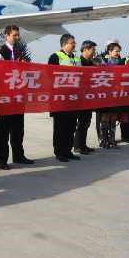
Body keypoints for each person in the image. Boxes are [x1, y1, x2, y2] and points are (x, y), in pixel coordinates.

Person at [0, 25, 34, 169]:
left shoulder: (20, 52)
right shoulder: (0, 53)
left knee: (18, 129)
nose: (17, 37)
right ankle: (2, 159)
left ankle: (18, 155)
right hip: (5, 97)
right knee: (3, 130)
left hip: (18, 96)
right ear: (6, 36)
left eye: (18, 35)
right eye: (14, 35)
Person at [48, 34, 81, 162]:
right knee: (60, 128)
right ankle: (59, 152)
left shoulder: (77, 59)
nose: (74, 45)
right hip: (60, 99)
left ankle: (68, 151)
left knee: (71, 126)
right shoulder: (55, 57)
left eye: (74, 43)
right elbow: (50, 75)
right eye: (72, 43)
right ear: (64, 44)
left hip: (73, 99)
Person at [98, 42, 125, 149]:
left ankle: (112, 139)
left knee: (114, 117)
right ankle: (103, 139)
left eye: (119, 51)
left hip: (116, 93)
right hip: (105, 93)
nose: (118, 53)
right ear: (109, 51)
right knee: (105, 117)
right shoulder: (103, 61)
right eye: (116, 51)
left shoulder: (120, 62)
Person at [73, 40, 97, 154]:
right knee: (81, 122)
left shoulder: (92, 63)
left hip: (89, 97)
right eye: (93, 49)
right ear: (86, 49)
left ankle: (83, 145)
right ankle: (77, 146)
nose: (94, 52)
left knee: (86, 121)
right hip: (80, 97)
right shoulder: (78, 61)